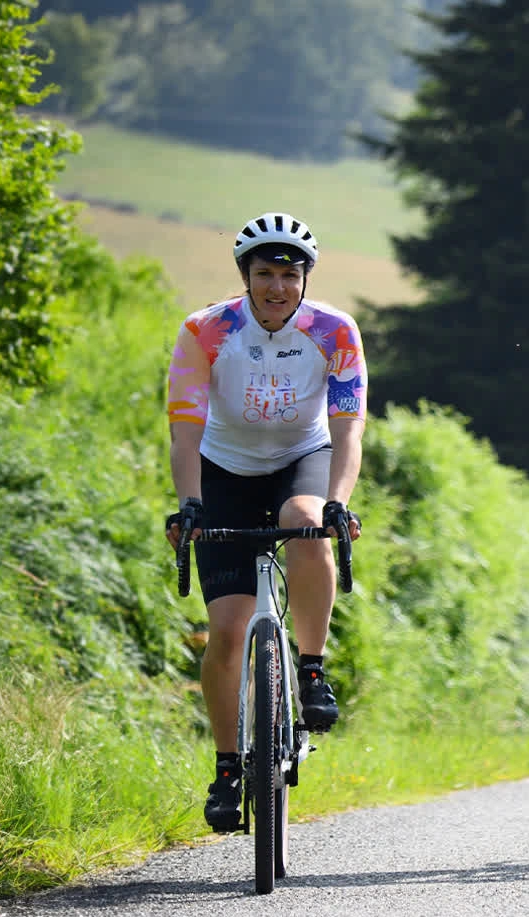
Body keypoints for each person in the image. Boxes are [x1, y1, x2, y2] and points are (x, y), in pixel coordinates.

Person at [165, 212, 366, 833]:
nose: (277, 287)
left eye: (288, 274)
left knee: (308, 522)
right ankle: (228, 768)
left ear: (305, 278)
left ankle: (310, 666)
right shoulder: (206, 330)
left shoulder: (334, 331)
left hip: (299, 461)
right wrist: (191, 503)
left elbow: (347, 424)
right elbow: (185, 427)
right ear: (243, 278)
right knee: (225, 631)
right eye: (263, 275)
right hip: (222, 470)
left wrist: (338, 498)